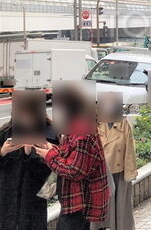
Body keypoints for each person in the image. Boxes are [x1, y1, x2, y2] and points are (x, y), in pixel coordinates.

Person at [34, 84, 109, 230]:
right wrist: (52, 148)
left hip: (80, 200)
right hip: (76, 199)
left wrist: (49, 156)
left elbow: (75, 170)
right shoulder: (76, 125)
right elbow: (70, 155)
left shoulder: (82, 131)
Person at [0, 116, 56, 230]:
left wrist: (30, 154)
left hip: (33, 202)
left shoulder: (49, 133)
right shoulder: (5, 132)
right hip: (6, 199)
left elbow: (52, 177)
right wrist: (2, 152)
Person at [90, 118, 137, 230]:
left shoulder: (123, 124)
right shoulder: (95, 123)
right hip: (101, 175)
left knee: (122, 211)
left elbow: (130, 149)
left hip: (120, 174)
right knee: (103, 214)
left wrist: (130, 172)